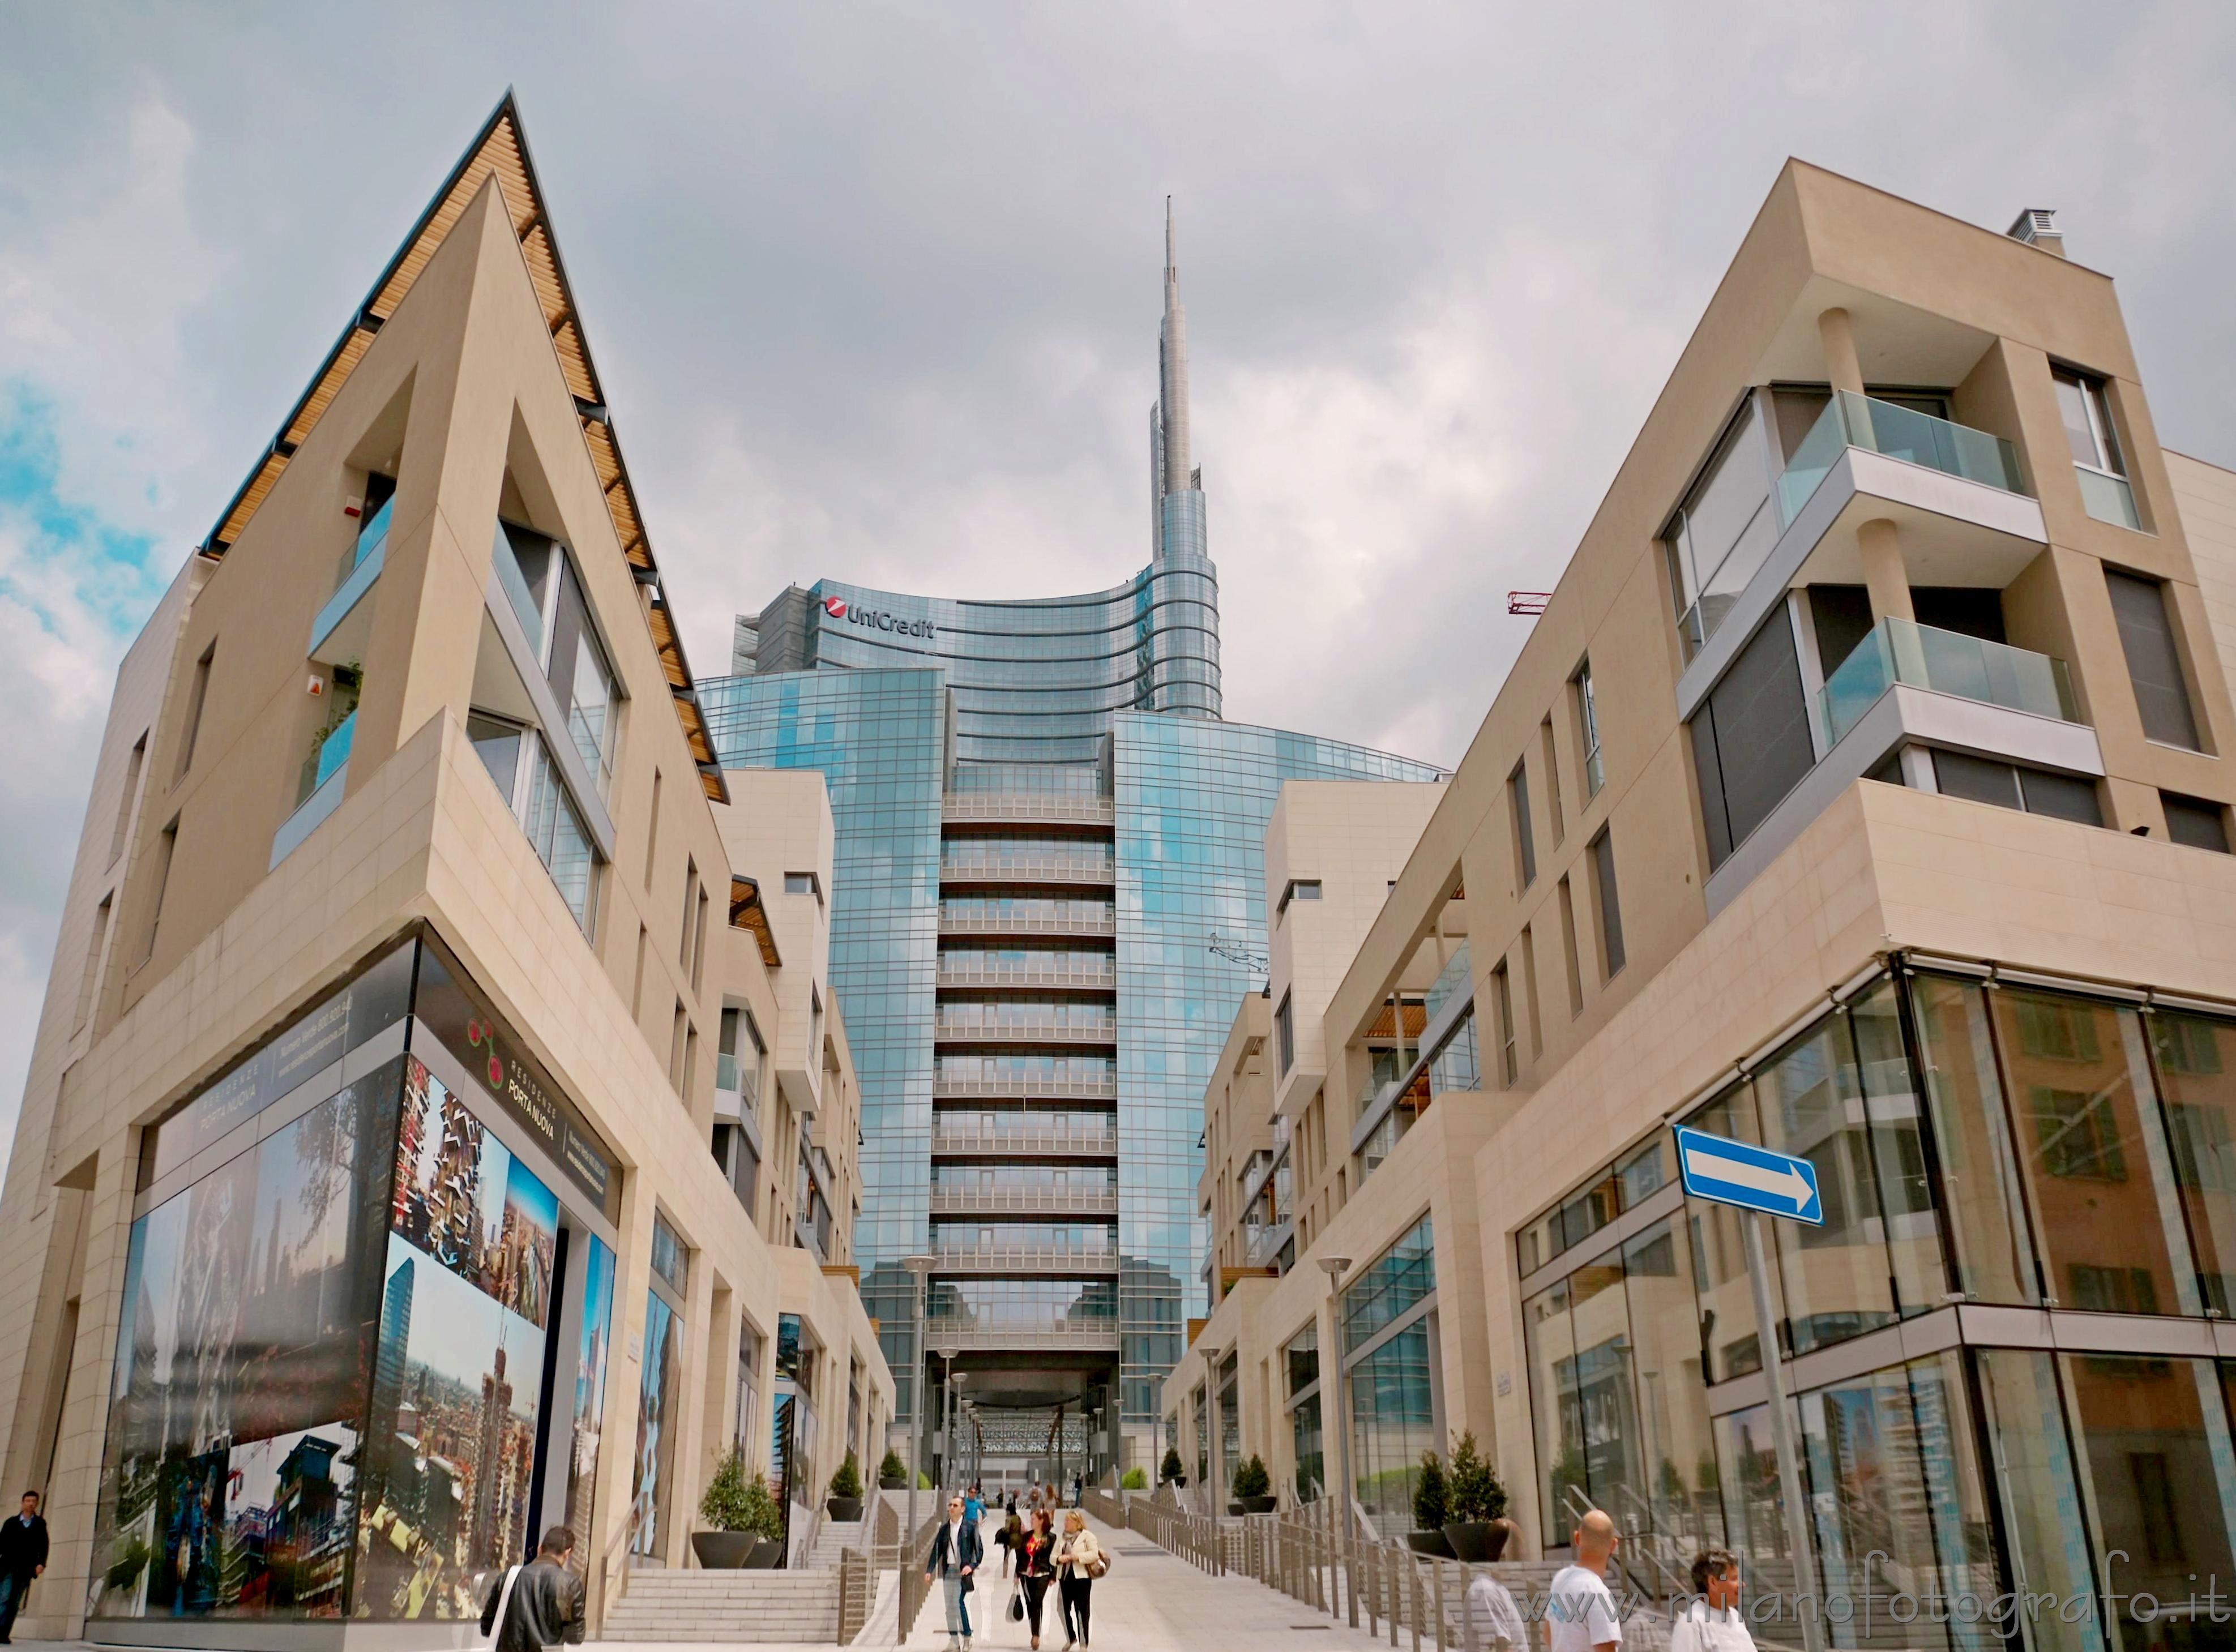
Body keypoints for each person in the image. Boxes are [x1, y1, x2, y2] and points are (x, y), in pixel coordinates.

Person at [477, 1525, 586, 1652]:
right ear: (567, 1553)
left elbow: (486, 1628)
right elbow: (577, 1637)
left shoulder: (507, 1577)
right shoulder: (570, 1584)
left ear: (540, 1549)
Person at [1547, 1509, 1623, 1652]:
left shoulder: (1561, 1578)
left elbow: (1548, 1633)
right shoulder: (1598, 1594)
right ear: (1613, 1545)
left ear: (1577, 1538)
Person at [924, 1493, 982, 1652]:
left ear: (963, 1509)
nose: (951, 1508)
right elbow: (937, 1551)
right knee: (949, 1607)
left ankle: (968, 1637)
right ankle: (954, 1640)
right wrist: (929, 1570)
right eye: (950, 1505)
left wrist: (971, 1566)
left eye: (955, 1506)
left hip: (962, 1571)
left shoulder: (970, 1527)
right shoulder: (944, 1529)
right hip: (948, 1571)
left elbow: (979, 1551)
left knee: (958, 1603)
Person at [1669, 1548, 1753, 1652]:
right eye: (1734, 1578)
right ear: (1713, 1582)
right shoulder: (1692, 1623)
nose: (1742, 1585)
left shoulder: (1736, 1617)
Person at [1465, 1519, 1527, 1650]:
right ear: (1503, 1553)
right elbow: (1496, 1646)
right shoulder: (1487, 1591)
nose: (1524, 1554)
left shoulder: (1495, 1589)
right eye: (1519, 1546)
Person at [1052, 1508, 1105, 1649]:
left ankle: (1084, 1643)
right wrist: (1059, 1558)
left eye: (1068, 1520)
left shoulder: (1088, 1536)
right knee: (1062, 1609)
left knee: (1082, 1611)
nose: (1065, 1523)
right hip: (1064, 1578)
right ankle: (1071, 1637)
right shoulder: (1061, 1538)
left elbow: (1094, 1554)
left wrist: (1078, 1557)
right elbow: (1052, 1558)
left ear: (1077, 1523)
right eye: (1065, 1520)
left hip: (1081, 1579)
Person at [0, 1492, 46, 1646]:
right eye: (28, 1501)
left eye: (33, 1501)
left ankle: (4, 1634)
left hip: (26, 1569)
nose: (31, 1504)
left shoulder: (40, 1524)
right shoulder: (11, 1523)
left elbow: (43, 1545)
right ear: (22, 1503)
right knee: (4, 1598)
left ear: (37, 1504)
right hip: (8, 1567)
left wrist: (41, 1564)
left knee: (15, 1603)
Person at [1015, 1507, 1058, 1651]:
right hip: (1026, 1575)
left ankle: (1036, 1636)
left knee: (1037, 1602)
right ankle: (1035, 1631)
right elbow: (1020, 1556)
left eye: (1033, 1519)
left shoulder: (1051, 1538)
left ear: (1041, 1521)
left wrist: (1053, 1576)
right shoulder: (1027, 1536)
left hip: (1043, 1574)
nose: (1031, 1521)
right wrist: (1017, 1574)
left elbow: (1054, 1557)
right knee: (1029, 1603)